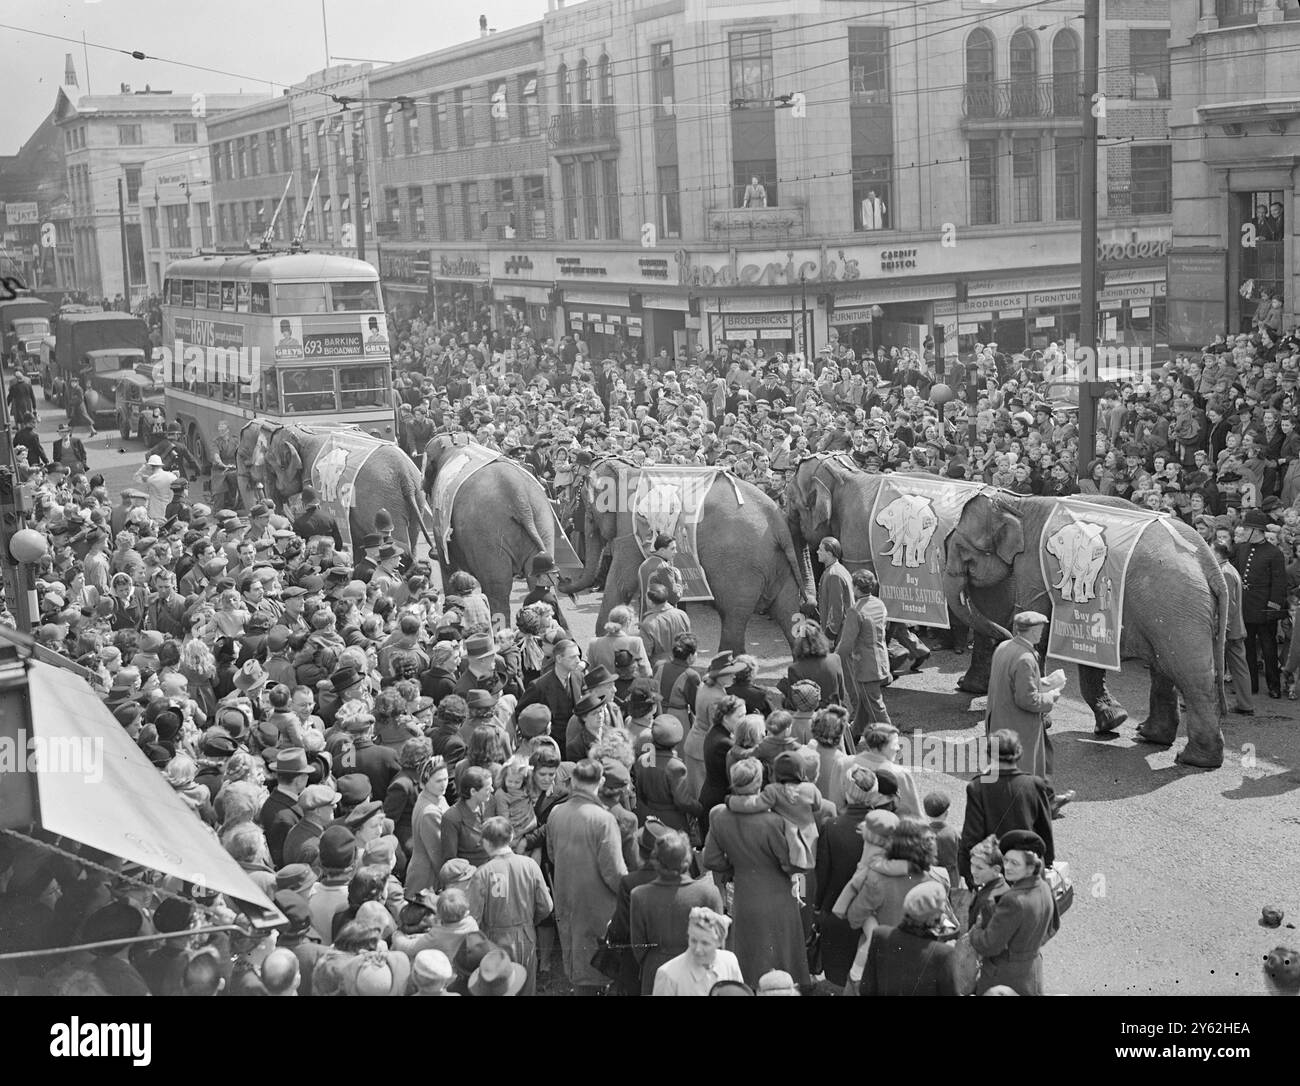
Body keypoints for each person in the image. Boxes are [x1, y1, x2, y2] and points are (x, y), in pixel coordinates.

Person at [702, 758, 811, 988]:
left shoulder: (720, 817)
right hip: (779, 895)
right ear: (759, 783)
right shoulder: (774, 820)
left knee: (750, 957)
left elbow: (710, 858)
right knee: (784, 955)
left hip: (745, 893)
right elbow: (790, 863)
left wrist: (734, 868)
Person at [546, 759, 627, 995]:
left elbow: (552, 854)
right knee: (596, 968)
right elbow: (614, 872)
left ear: (573, 781)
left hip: (566, 896)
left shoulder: (556, 813)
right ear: (600, 782)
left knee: (575, 960)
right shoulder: (603, 819)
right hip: (597, 905)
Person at [985, 611, 1074, 815]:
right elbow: (1027, 700)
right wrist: (1052, 695)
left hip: (999, 718)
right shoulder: (1026, 658)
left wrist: (1044, 682)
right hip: (1019, 725)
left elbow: (1010, 681)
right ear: (1032, 631)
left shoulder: (1004, 647)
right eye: (1040, 629)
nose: (1042, 633)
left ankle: (1045, 800)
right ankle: (1031, 809)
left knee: (1031, 762)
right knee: (1025, 769)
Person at [466, 816, 553, 997]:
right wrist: (529, 921)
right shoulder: (530, 865)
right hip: (526, 936)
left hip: (494, 940)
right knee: (527, 988)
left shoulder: (482, 873)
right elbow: (546, 905)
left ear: (486, 843)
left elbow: (474, 917)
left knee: (499, 989)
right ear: (512, 836)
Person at [958, 729, 1055, 892]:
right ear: (1018, 753)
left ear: (989, 753)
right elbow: (1044, 829)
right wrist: (1049, 860)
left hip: (995, 874)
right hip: (1028, 868)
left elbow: (972, 835)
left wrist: (968, 873)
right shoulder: (1035, 784)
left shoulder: (977, 787)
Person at [629, 828, 724, 995]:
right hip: (698, 971)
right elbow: (719, 944)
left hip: (656, 970)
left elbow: (638, 947)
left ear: (656, 860)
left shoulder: (639, 895)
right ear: (687, 859)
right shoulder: (709, 893)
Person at [967, 829, 1059, 995]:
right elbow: (1053, 926)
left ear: (1031, 867)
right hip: (1032, 972)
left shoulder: (1013, 900)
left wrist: (976, 931)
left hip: (1003, 978)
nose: (1007, 867)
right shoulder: (1044, 888)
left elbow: (989, 945)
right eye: (1006, 860)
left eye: (1015, 863)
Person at [1233, 509, 1287, 699]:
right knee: (1247, 647)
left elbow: (1279, 583)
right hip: (1246, 606)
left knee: (1269, 648)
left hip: (1264, 607)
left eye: (1246, 528)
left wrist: (1273, 606)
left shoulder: (1274, 553)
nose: (1243, 531)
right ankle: (1251, 685)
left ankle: (1274, 685)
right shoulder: (1242, 548)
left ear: (1255, 530)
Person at [836, 569, 892, 740]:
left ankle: (890, 738)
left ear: (856, 588)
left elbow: (846, 643)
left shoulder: (855, 611)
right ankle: (854, 734)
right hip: (881, 660)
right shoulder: (879, 604)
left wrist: (833, 659)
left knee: (875, 706)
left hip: (865, 665)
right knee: (864, 700)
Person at [650, 907, 744, 996]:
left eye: (705, 943)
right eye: (693, 940)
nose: (697, 949)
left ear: (719, 942)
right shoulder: (668, 975)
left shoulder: (730, 962)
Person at [1214, 541, 1255, 715]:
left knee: (1213, 667)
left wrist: (1222, 629)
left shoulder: (1224, 573)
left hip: (1229, 631)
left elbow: (1228, 606)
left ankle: (1211, 704)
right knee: (1240, 668)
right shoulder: (1230, 569)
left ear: (1218, 554)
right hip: (1236, 629)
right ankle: (1246, 705)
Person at [637, 533, 684, 615]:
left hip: (644, 619)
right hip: (660, 620)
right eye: (672, 549)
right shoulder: (664, 567)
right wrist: (679, 579)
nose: (676, 552)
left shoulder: (644, 564)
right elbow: (674, 597)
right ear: (662, 550)